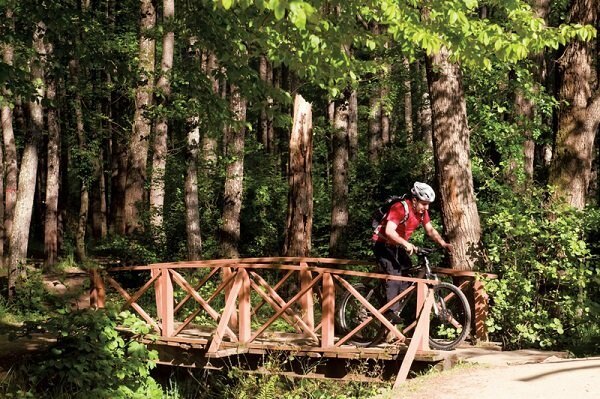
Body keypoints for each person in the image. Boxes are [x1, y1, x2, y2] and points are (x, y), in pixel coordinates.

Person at [372, 181, 453, 323]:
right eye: (424, 203)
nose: (426, 207)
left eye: (428, 204)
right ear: (414, 200)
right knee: (395, 274)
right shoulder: (400, 208)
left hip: (397, 245)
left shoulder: (422, 212)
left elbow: (430, 230)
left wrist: (443, 243)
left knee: (408, 274)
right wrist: (406, 243)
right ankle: (390, 311)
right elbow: (389, 231)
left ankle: (392, 304)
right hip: (382, 243)